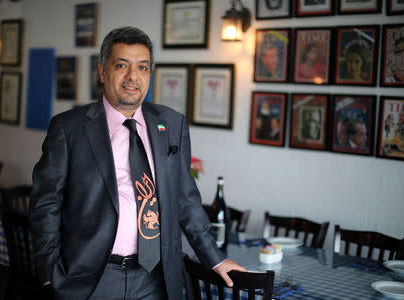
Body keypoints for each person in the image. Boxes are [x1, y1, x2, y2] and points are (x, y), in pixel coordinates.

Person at [29, 26, 245, 300]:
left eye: (142, 67)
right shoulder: (68, 128)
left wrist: (215, 258)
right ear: (103, 71)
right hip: (91, 279)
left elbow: (185, 198)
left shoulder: (172, 124)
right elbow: (45, 203)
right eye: (122, 65)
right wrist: (50, 271)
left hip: (155, 279)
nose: (133, 77)